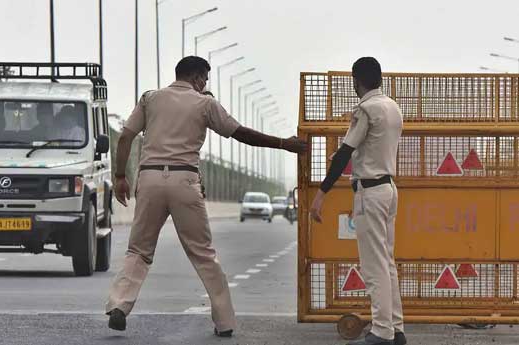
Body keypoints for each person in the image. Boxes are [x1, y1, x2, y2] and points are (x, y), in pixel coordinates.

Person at [106, 56, 307, 337]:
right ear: (198, 78)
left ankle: (119, 305)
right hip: (185, 180)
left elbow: (126, 137)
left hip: (149, 179)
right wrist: (284, 144)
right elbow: (241, 134)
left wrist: (119, 177)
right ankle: (224, 322)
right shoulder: (205, 103)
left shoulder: (150, 99)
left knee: (138, 250)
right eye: (205, 80)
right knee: (203, 254)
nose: (205, 86)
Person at [309, 57, 405, 345]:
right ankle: (395, 327)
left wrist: (320, 195)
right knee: (386, 262)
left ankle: (381, 332)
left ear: (356, 80)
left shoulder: (366, 108)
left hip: (370, 192)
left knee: (374, 266)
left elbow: (344, 154)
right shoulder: (393, 107)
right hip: (389, 189)